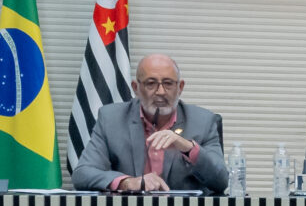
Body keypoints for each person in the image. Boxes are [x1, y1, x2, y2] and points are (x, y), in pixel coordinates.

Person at [69, 54, 229, 194]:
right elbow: (83, 173)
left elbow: (221, 181)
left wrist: (188, 148)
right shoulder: (111, 119)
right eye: (151, 83)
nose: (160, 92)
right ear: (136, 88)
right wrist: (127, 182)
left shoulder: (203, 121)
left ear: (180, 87)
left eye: (168, 83)